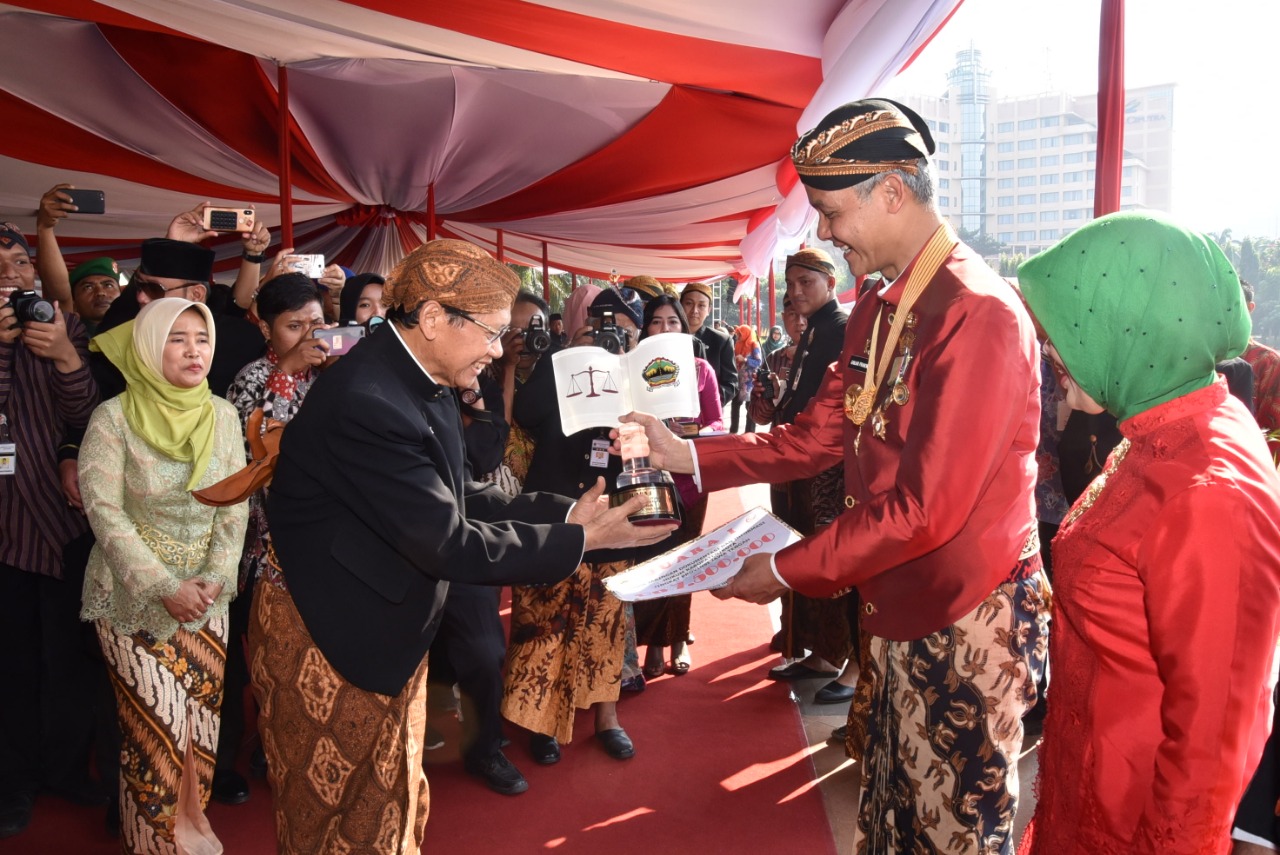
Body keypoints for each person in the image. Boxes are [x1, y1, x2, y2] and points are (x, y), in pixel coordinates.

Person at [622, 98, 1048, 854]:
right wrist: (684, 454)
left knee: (951, 830)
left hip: (966, 612)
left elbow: (925, 508)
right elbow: (817, 435)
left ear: (892, 193)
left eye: (829, 210)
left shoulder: (976, 312)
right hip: (892, 596)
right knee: (889, 811)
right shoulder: (880, 304)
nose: (822, 232)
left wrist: (784, 571)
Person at [248, 240, 670, 855]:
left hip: (378, 619)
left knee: (390, 802)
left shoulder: (423, 377)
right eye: (493, 332)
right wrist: (579, 540)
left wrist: (566, 514)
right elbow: (448, 541)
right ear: (432, 319)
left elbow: (461, 493)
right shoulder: (369, 399)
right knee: (336, 819)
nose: (500, 350)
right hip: (329, 630)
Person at [1014, 211, 1280, 854]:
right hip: (1093, 790)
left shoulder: (1207, 490)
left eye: (1063, 331)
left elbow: (1210, 746)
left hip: (1132, 823)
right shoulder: (1166, 423)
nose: (1050, 353)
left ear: (1127, 326)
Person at [79, 298, 248, 854]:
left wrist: (215, 578)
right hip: (132, 601)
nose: (194, 350)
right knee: (156, 735)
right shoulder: (112, 418)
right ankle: (152, 844)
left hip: (207, 600)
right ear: (150, 348)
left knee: (198, 731)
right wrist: (164, 587)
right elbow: (104, 511)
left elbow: (235, 505)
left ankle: (191, 832)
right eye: (177, 339)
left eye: (202, 338)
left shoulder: (223, 415)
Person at [503, 287, 654, 767]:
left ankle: (608, 717)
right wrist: (570, 354)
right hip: (555, 506)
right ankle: (539, 720)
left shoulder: (637, 374)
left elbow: (652, 442)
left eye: (620, 331)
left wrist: (627, 369)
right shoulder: (561, 362)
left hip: (612, 508)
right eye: (597, 328)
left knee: (607, 621)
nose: (608, 338)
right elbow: (526, 413)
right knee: (543, 620)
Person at [0, 224, 102, 840]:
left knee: (68, 659)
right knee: (9, 663)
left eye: (19, 261)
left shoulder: (65, 327)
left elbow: (87, 417)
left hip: (64, 526)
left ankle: (65, 768)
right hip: (4, 532)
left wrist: (65, 356)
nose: (10, 274)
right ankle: (13, 780)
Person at [752, 249, 856, 705]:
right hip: (799, 464)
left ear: (831, 284)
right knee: (800, 553)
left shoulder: (842, 328)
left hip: (827, 470)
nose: (795, 292)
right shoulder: (815, 329)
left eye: (806, 282)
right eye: (790, 284)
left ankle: (841, 656)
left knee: (828, 560)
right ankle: (820, 653)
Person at [634, 294, 724, 679]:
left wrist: (693, 433)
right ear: (646, 329)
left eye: (673, 321)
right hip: (648, 478)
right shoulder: (634, 371)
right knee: (653, 559)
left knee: (684, 560)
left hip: (690, 480)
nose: (665, 328)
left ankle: (678, 639)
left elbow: (718, 423)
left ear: (683, 328)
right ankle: (654, 642)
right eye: (656, 321)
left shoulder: (701, 370)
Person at [1240, 279, 1280, 456]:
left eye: (1233, 306)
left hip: (1250, 461)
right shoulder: (1194, 358)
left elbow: (1274, 434)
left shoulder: (1269, 362)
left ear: (1250, 308)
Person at [681, 282, 737, 406]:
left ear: (709, 310)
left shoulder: (721, 341)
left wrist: (708, 402)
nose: (694, 310)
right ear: (680, 306)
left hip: (708, 412)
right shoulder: (670, 338)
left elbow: (731, 384)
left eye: (701, 305)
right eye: (689, 303)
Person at [729, 324, 761, 433]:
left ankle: (749, 432)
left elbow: (758, 362)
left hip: (750, 381)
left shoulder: (754, 345)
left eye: (740, 334)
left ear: (746, 334)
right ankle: (733, 430)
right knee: (735, 404)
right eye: (738, 334)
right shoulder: (738, 344)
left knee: (750, 407)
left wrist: (745, 360)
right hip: (738, 379)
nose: (738, 336)